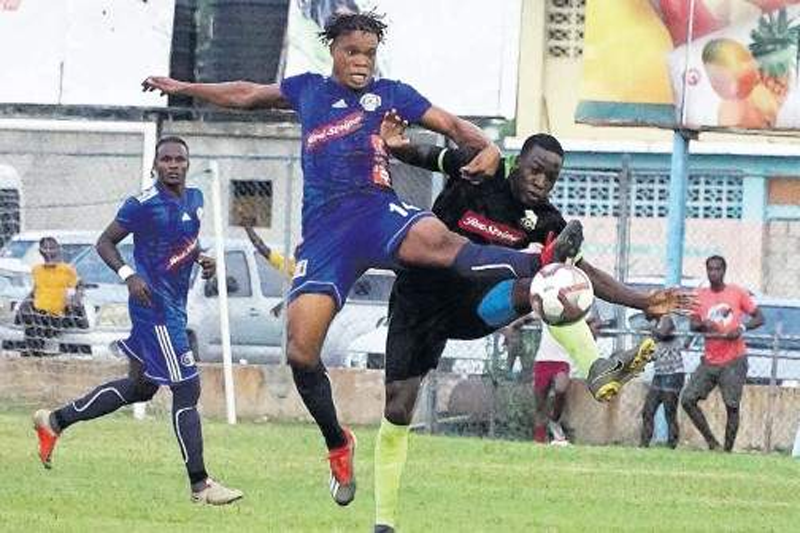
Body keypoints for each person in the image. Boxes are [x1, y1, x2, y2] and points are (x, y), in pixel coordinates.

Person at [142, 11, 586, 507]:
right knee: (301, 351)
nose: (361, 63)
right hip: (326, 233)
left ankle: (540, 261)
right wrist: (185, 86)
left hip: (377, 209)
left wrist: (483, 145)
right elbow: (247, 94)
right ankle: (338, 443)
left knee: (437, 243)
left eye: (369, 55)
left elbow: (451, 123)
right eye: (352, 53)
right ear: (333, 50)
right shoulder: (308, 89)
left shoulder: (391, 94)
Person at [372, 115, 695, 532]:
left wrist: (641, 300)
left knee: (552, 280)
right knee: (398, 406)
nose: (541, 182)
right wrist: (397, 145)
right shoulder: (481, 169)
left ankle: (596, 368)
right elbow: (430, 156)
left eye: (551, 177)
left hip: (476, 307)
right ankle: (384, 521)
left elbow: (587, 275)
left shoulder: (545, 222)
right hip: (420, 299)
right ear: (517, 163)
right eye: (535, 170)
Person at [32, 137, 243, 505]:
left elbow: (184, 243)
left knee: (141, 388)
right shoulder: (141, 204)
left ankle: (55, 421)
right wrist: (129, 275)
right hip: (154, 309)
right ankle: (201, 485)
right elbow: (105, 242)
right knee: (187, 389)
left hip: (176, 305)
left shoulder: (195, 199)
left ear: (188, 164)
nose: (173, 165)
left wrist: (202, 260)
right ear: (155, 166)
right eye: (166, 159)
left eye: (180, 159)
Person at [682, 255, 764, 452]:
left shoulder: (737, 292)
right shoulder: (699, 295)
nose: (713, 273)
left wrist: (742, 328)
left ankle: (727, 450)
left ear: (724, 271)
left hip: (734, 359)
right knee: (688, 399)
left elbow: (760, 317)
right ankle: (712, 443)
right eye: (710, 269)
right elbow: (693, 324)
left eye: (717, 269)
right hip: (710, 359)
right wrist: (703, 324)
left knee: (732, 405)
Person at [17, 236, 87, 356]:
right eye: (45, 248)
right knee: (31, 321)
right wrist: (23, 305)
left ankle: (36, 353)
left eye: (52, 248)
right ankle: (32, 356)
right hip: (39, 313)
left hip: (58, 315)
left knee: (39, 325)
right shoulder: (37, 270)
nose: (49, 251)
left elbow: (76, 290)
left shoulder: (67, 270)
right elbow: (35, 290)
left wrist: (73, 300)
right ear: (40, 251)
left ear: (58, 249)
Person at [640, 314, 685, 449]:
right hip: (660, 374)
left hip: (673, 373)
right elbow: (653, 354)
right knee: (648, 410)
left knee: (669, 411)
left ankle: (672, 444)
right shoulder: (655, 328)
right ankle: (644, 444)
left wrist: (650, 329)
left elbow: (664, 333)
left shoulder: (667, 319)